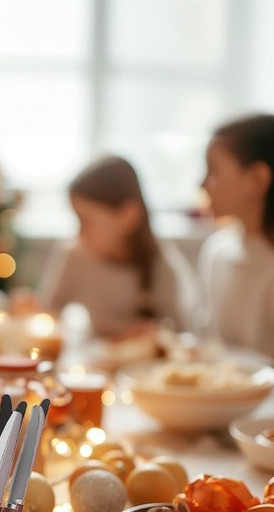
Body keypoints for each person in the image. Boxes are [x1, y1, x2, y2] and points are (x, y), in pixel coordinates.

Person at [38, 156, 195, 339]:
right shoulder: (74, 254)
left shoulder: (162, 264)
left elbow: (182, 333)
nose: (79, 233)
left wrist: (155, 332)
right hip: (92, 361)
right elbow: (49, 312)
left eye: (86, 221)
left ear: (129, 215)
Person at [198, 113, 274, 357]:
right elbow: (209, 344)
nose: (202, 184)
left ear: (257, 179)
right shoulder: (216, 252)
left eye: (213, 171)